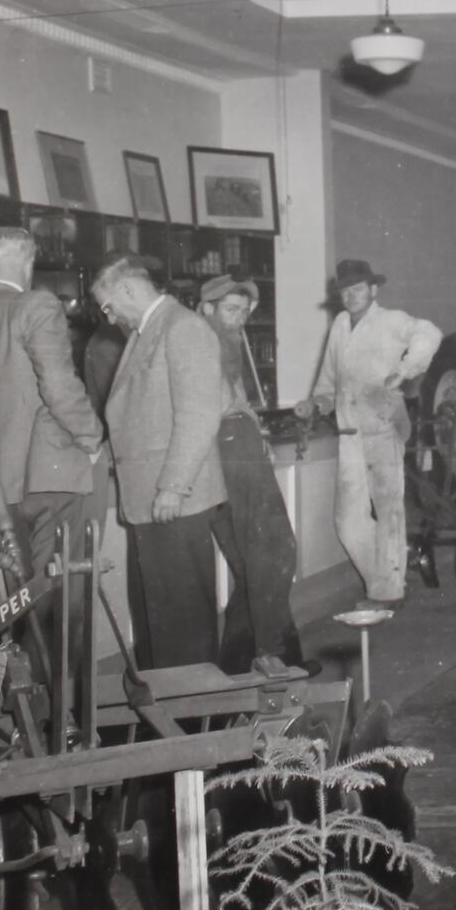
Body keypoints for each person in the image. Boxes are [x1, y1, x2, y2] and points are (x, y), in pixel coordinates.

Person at [0, 227, 104, 585]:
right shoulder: (37, 305)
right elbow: (58, 387)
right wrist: (91, 440)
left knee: (27, 592)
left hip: (1, 482)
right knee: (67, 594)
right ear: (29, 265)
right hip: (56, 472)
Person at [92, 253, 226, 669]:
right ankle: (166, 700)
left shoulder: (183, 327)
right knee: (159, 620)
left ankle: (193, 706)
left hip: (172, 501)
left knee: (183, 624)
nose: (109, 317)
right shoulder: (147, 331)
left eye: (108, 306)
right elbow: (142, 414)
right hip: (150, 501)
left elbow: (199, 414)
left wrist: (173, 486)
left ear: (128, 289)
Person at [295, 260, 440, 608]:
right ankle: (389, 573)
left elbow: (430, 333)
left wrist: (403, 371)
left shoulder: (391, 320)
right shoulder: (340, 326)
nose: (350, 296)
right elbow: (329, 381)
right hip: (349, 430)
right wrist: (315, 403)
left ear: (373, 290)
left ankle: (388, 590)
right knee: (347, 520)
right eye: (345, 290)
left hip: (383, 424)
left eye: (357, 288)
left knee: (388, 509)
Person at [199, 273, 310, 675]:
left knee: (253, 563)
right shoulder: (203, 341)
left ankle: (237, 662)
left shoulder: (226, 341)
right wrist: (244, 424)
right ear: (207, 309)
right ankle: (270, 653)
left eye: (244, 311)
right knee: (276, 549)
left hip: (235, 445)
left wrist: (255, 432)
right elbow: (216, 405)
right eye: (231, 309)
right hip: (228, 449)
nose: (240, 318)